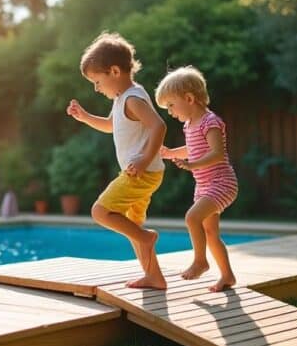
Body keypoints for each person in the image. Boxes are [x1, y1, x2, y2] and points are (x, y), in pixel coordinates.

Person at [66, 32, 168, 289]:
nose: (96, 88)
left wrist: (144, 159)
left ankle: (146, 239)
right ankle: (154, 276)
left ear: (114, 71)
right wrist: (85, 117)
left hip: (140, 173)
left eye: (97, 81)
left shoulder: (133, 98)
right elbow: (112, 125)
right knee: (132, 224)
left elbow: (159, 126)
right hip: (143, 172)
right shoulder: (124, 98)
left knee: (100, 212)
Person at [155, 66, 239, 292]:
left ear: (189, 98)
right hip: (203, 186)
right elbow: (192, 148)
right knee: (211, 234)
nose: (170, 112)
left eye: (171, 105)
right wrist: (172, 152)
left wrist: (191, 164)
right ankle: (227, 276)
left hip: (222, 183)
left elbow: (217, 153)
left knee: (192, 218)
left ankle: (201, 261)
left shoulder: (209, 121)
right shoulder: (189, 125)